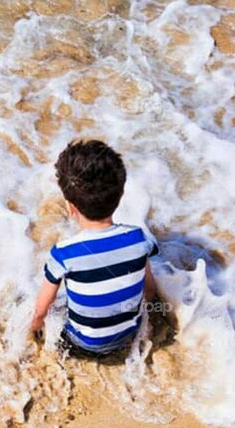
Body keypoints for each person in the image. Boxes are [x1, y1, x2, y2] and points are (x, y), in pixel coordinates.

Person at [30, 139, 159, 357]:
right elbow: (150, 290)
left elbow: (42, 308)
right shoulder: (139, 239)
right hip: (128, 336)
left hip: (83, 344)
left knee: (33, 305)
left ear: (71, 207)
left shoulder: (64, 253)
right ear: (119, 198)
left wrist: (35, 328)